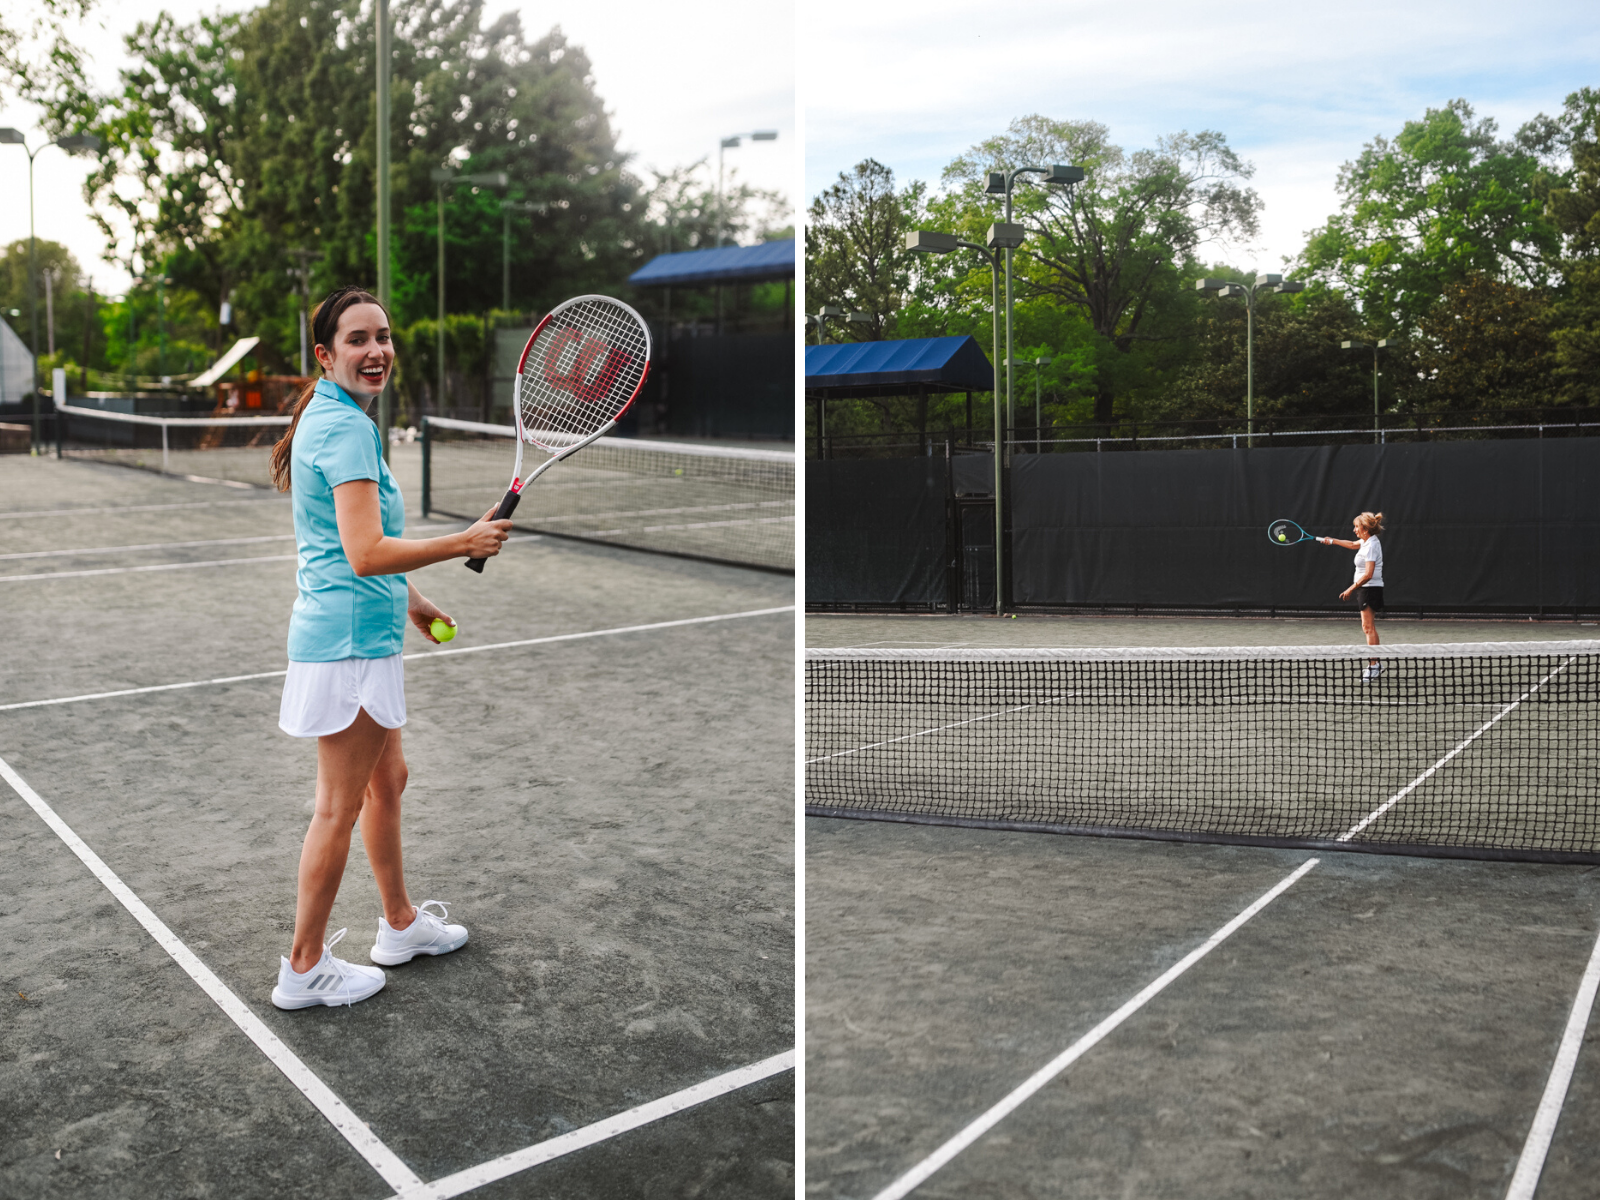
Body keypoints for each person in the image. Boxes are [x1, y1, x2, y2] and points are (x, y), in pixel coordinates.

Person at [267, 285, 513, 1009]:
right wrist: (463, 542)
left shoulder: (332, 414)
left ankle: (400, 924)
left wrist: (413, 601)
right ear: (326, 353)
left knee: (388, 781)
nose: (377, 350)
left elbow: (346, 553)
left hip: (362, 631)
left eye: (384, 336)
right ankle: (304, 968)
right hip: (347, 647)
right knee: (336, 808)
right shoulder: (345, 430)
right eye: (358, 339)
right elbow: (365, 551)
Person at [1318, 511, 1385, 683]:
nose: (1354, 529)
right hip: (1368, 589)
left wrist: (1350, 589)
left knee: (1368, 627)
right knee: (1369, 627)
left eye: (1356, 527)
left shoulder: (1370, 546)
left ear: (1365, 528)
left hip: (1369, 588)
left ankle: (1374, 666)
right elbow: (1352, 544)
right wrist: (1332, 541)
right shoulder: (1367, 541)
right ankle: (1375, 663)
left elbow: (1368, 574)